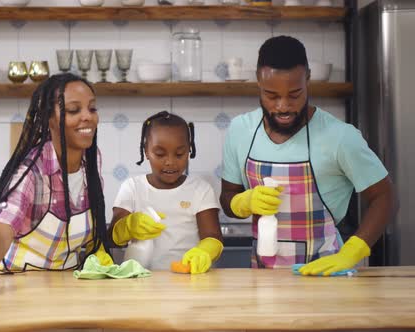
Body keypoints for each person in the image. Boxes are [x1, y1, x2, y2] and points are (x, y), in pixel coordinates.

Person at [219, 35, 396, 275]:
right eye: (272, 95)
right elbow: (228, 197)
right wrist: (243, 202)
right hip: (262, 279)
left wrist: (352, 252)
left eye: (294, 94)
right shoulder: (241, 130)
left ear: (308, 79)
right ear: (258, 83)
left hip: (327, 277)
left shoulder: (340, 137)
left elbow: (385, 197)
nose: (283, 106)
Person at [0, 73, 113, 300]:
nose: (87, 117)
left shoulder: (91, 162)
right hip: (16, 291)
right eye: (73, 110)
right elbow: (1, 230)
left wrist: (102, 247)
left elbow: (90, 223)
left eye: (92, 109)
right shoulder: (33, 170)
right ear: (49, 118)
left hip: (67, 290)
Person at [110, 111, 224, 274]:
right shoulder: (132, 187)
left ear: (189, 151)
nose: (170, 162)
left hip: (188, 279)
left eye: (179, 154)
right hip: (139, 280)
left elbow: (213, 235)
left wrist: (205, 251)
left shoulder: (201, 189)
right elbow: (112, 236)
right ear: (146, 151)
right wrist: (127, 226)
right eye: (160, 154)